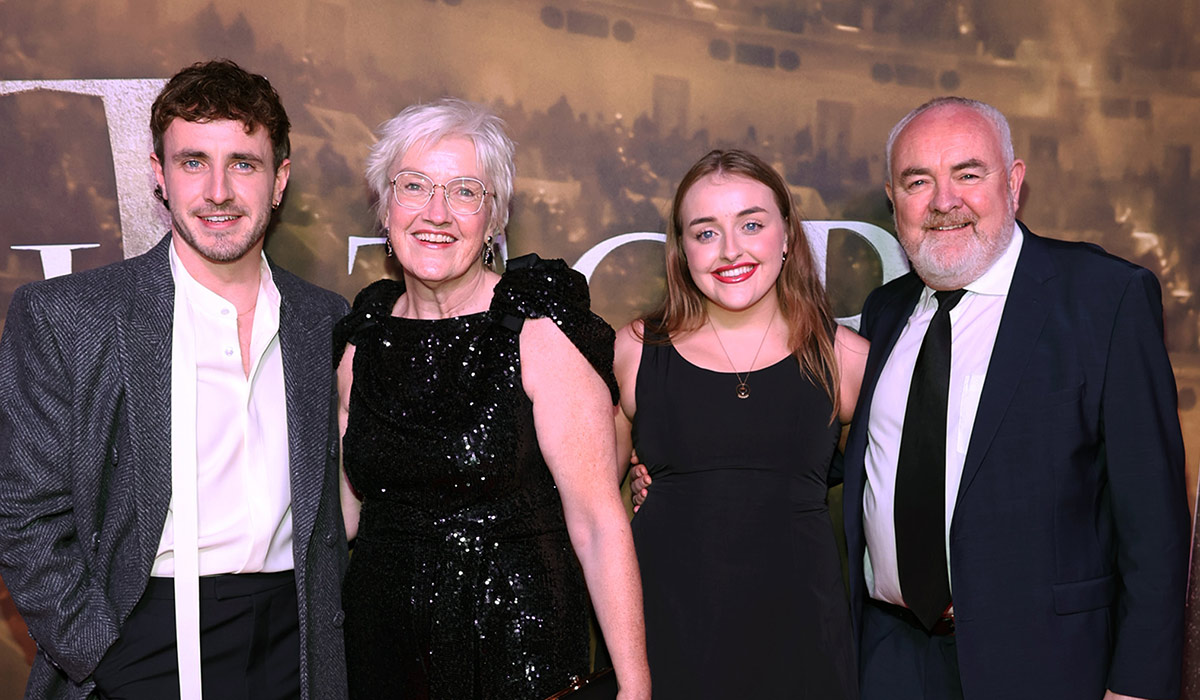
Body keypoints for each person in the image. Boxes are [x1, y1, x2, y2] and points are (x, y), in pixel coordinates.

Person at [0, 60, 350, 700]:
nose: (218, 191)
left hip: (294, 644)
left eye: (244, 163)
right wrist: (101, 656)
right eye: (193, 162)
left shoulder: (326, 321)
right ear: (160, 175)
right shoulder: (68, 317)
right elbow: (23, 513)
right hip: (141, 642)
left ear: (280, 181)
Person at [840, 97, 1187, 700]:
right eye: (917, 181)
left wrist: (1136, 686)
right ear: (894, 201)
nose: (944, 201)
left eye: (968, 174)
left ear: (1015, 183)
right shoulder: (885, 312)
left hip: (1046, 666)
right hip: (890, 658)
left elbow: (1153, 524)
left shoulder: (1105, 299)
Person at [334, 97, 650, 699]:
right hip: (380, 650)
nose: (437, 212)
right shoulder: (362, 343)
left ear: (495, 217)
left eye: (465, 192)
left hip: (514, 647)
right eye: (414, 186)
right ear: (384, 205)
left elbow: (598, 525)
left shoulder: (537, 336)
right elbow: (343, 518)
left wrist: (634, 688)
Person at [614, 149, 868, 699]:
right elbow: (590, 512)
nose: (731, 250)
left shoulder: (844, 358)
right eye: (705, 233)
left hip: (803, 649)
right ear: (681, 251)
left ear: (787, 237)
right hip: (670, 642)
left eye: (751, 224)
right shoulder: (637, 352)